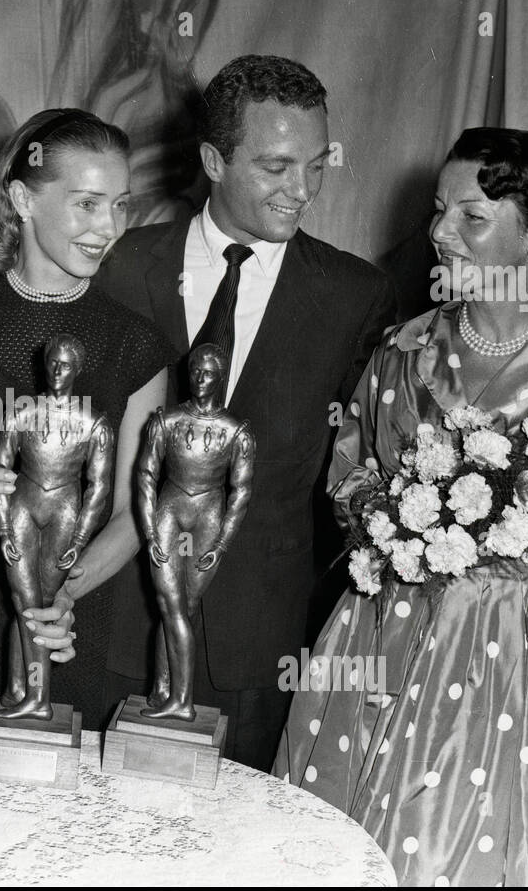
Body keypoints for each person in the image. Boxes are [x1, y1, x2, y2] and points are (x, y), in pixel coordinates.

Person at [275, 127, 528, 886]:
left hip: (525, 669)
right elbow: (347, 477)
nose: (439, 234)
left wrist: (521, 522)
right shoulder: (401, 351)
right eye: (437, 210)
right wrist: (397, 517)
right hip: (380, 638)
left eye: (472, 217)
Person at [94, 55, 396, 769]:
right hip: (110, 624)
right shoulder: (117, 265)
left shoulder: (358, 295)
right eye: (277, 167)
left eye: (317, 166)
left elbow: (359, 475)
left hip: (260, 648)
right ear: (212, 160)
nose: (303, 191)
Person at [0, 109, 175, 729]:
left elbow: (134, 510)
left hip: (65, 618)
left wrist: (62, 593)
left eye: (120, 205)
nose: (108, 228)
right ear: (22, 198)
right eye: (87, 204)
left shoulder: (136, 345)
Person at [0, 335, 114, 720]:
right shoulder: (20, 415)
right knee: (26, 602)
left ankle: (26, 690)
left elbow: (99, 486)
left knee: (37, 605)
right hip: (22, 508)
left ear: (78, 369)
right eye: (53, 363)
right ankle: (31, 695)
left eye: (66, 365)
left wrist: (81, 537)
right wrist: (3, 530)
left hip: (65, 511)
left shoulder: (94, 423)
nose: (58, 371)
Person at [138, 343, 254, 721]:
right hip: (169, 508)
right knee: (170, 604)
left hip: (209, 513)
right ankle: (173, 696)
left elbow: (241, 491)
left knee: (181, 608)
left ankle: (172, 692)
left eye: (209, 374)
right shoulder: (166, 421)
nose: (200, 380)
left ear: (220, 378)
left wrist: (222, 543)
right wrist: (150, 532)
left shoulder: (235, 432)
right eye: (195, 372)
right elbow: (146, 476)